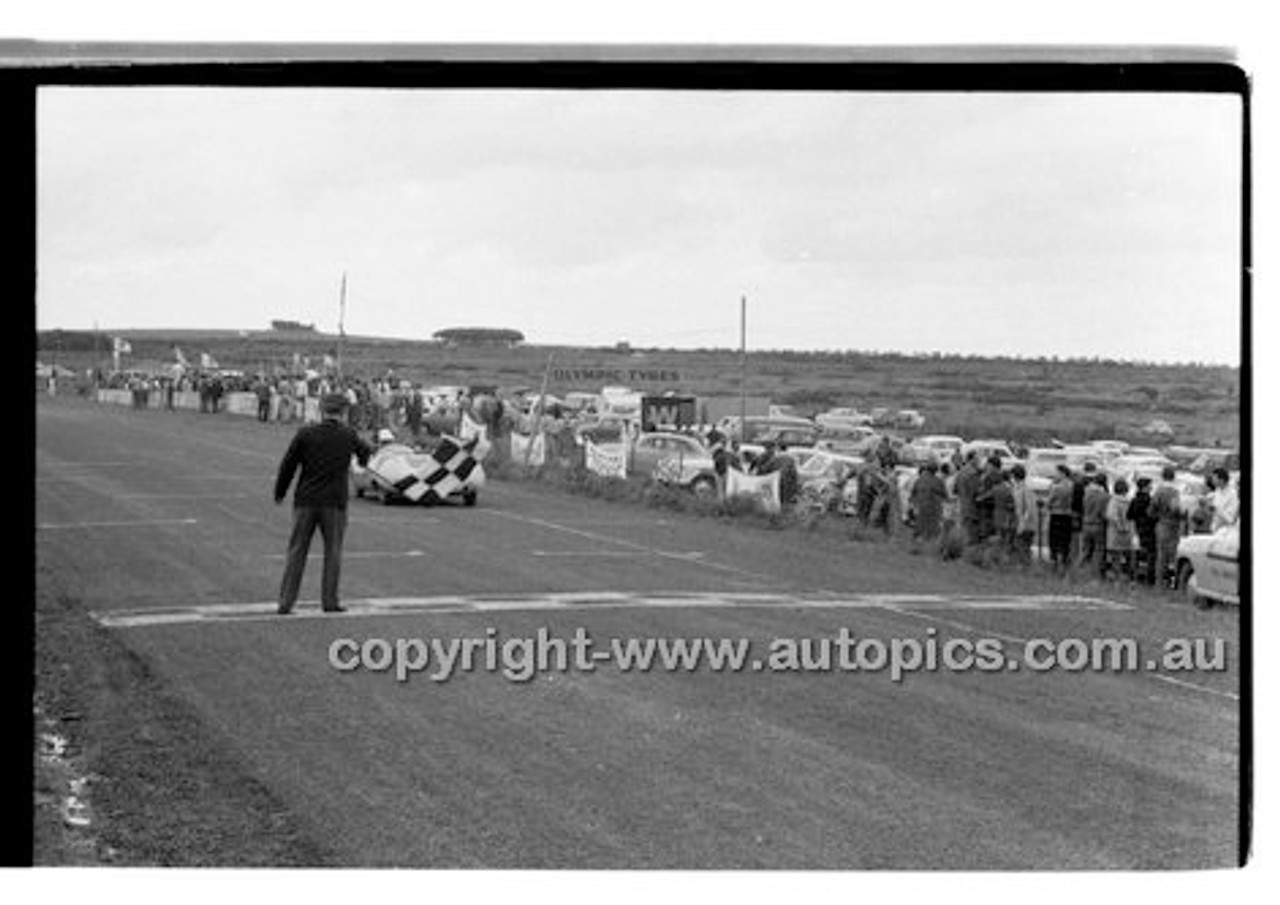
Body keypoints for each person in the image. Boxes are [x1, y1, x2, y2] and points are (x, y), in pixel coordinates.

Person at [274, 393, 373, 615]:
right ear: (343, 412)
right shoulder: (348, 435)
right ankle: (330, 601)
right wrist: (363, 460)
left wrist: (280, 491)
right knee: (333, 552)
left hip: (306, 499)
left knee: (297, 551)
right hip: (334, 501)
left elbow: (288, 465)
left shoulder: (306, 433)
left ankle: (285, 601)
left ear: (322, 410)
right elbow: (365, 451)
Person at [1151, 466, 1183, 590]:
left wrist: (1157, 515)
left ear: (1162, 476)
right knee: (1173, 556)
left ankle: (1158, 583)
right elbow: (1176, 509)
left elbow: (1152, 508)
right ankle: (1174, 583)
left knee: (1161, 555)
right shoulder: (1174, 492)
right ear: (1173, 477)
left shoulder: (1158, 491)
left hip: (1161, 524)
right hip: (1172, 525)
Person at [1077, 473, 1110, 579]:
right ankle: (1095, 576)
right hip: (1098, 525)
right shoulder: (1104, 496)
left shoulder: (1086, 493)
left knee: (1085, 551)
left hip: (1086, 524)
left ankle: (1076, 572)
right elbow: (1104, 514)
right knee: (1098, 551)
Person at [1127, 476, 1158, 585]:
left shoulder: (1134, 500)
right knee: (1151, 554)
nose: (1151, 487)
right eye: (1150, 486)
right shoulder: (1150, 501)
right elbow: (1154, 516)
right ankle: (1150, 579)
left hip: (1137, 529)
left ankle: (1132, 577)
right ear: (1144, 487)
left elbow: (1129, 517)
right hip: (1149, 530)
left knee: (1135, 554)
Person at [1046, 464, 1076, 575]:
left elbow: (1049, 502)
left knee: (1054, 542)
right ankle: (1065, 564)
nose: (1055, 475)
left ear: (1062, 473)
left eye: (1056, 473)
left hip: (1056, 514)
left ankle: (1054, 566)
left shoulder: (1056, 487)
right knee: (1065, 542)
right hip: (1068, 515)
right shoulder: (1072, 485)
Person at [1105, 478, 1135, 583]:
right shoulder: (1130, 501)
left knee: (1116, 557)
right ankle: (1129, 578)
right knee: (1128, 556)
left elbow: (1111, 516)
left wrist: (1119, 526)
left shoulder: (1114, 501)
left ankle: (1117, 579)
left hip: (1115, 533)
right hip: (1128, 533)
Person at [909, 461, 947, 542]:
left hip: (920, 506)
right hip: (932, 507)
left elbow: (912, 493)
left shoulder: (919, 480)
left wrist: (913, 505)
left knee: (920, 524)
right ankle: (929, 541)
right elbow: (944, 494)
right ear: (935, 471)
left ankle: (918, 540)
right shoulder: (937, 481)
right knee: (932, 526)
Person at [1010, 464, 1038, 566]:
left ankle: (1026, 567)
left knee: (1023, 546)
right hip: (1020, 522)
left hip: (1027, 524)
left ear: (1015, 476)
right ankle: (1024, 567)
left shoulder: (1026, 489)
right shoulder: (1016, 488)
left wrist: (1023, 524)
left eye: (1012, 476)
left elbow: (1029, 509)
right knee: (1020, 547)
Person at [1209, 467, 1239, 532]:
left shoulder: (1232, 494)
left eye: (1214, 478)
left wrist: (1216, 509)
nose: (1212, 480)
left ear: (1221, 480)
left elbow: (1230, 519)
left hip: (1226, 532)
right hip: (1215, 529)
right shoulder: (1217, 491)